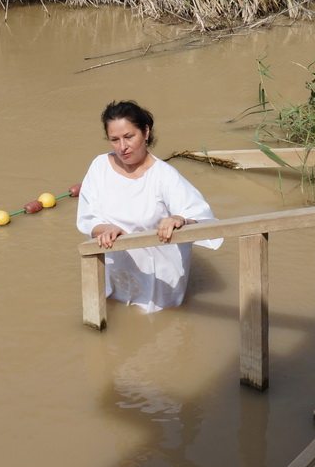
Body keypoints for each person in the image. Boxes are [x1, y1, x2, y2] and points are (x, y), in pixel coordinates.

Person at [76, 101, 222, 313]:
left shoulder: (164, 176)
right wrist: (105, 228)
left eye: (129, 137)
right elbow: (88, 217)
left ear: (145, 132)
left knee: (160, 327)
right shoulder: (100, 166)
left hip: (159, 283)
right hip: (115, 274)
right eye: (114, 140)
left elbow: (204, 220)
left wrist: (179, 220)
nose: (122, 147)